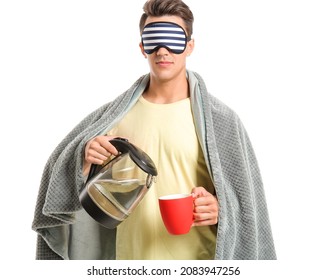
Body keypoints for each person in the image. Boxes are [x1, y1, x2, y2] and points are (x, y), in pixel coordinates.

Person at [32, 0, 276, 260]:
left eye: (173, 40)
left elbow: (248, 207)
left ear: (190, 46)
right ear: (142, 48)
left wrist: (220, 210)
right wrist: (84, 158)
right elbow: (64, 175)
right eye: (153, 40)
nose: (163, 50)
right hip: (130, 263)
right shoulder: (113, 118)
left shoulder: (223, 122)